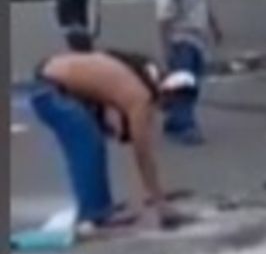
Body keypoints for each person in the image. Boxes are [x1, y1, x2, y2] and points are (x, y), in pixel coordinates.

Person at [29, 49, 195, 230]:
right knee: (88, 146)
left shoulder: (141, 69)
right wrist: (160, 203)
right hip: (52, 91)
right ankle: (95, 213)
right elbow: (142, 154)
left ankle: (98, 208)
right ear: (167, 93)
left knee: (92, 141)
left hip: (52, 80)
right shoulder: (141, 97)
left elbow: (103, 82)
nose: (164, 110)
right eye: (168, 104)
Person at [154, 0, 223, 145]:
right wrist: (167, 49)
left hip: (198, 37)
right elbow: (164, 20)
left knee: (195, 83)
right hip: (181, 37)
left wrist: (215, 26)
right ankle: (186, 127)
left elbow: (205, 1)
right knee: (185, 83)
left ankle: (175, 121)